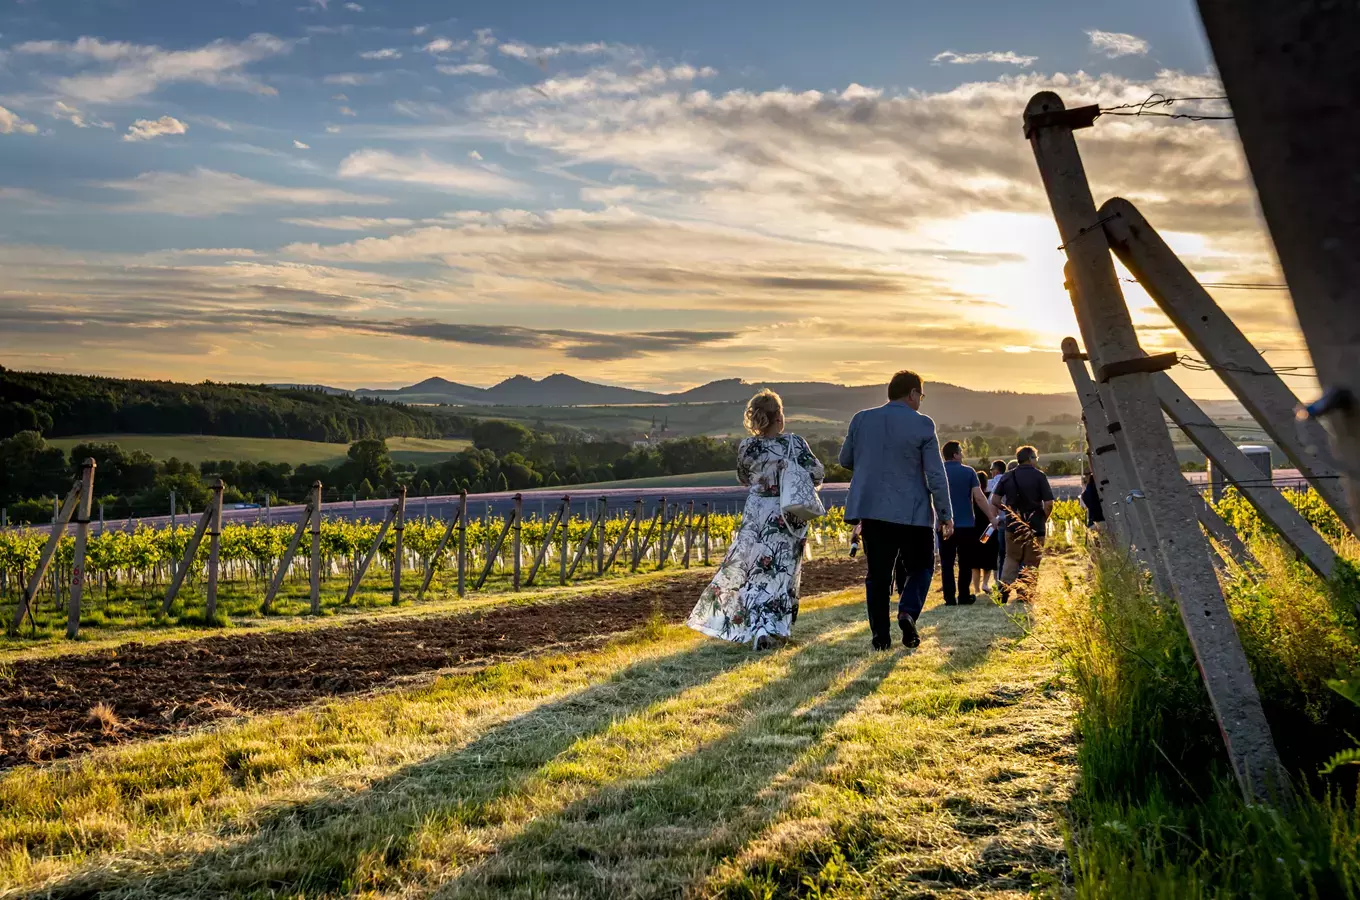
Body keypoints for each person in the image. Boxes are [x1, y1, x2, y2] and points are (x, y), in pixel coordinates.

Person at [687, 389, 824, 649]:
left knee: (753, 571)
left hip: (756, 513)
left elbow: (742, 476)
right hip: (786, 515)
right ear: (779, 416)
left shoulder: (747, 446)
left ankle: (758, 628)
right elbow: (818, 473)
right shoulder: (794, 443)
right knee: (781, 572)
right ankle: (772, 627)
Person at [838, 370, 952, 650]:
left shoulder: (861, 419)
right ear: (913, 393)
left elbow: (845, 459)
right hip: (913, 513)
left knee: (877, 576)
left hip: (873, 511)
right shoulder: (923, 425)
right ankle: (907, 611)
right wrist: (946, 515)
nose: (921, 401)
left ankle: (880, 637)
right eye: (921, 396)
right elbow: (935, 474)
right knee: (922, 567)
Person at [989, 445, 1054, 602]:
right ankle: (1024, 594)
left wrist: (1010, 512)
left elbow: (995, 500)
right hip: (1035, 526)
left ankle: (1003, 590)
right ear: (1030, 458)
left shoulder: (1007, 476)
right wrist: (1042, 517)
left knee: (1011, 558)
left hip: (1012, 526)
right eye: (1035, 458)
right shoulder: (1039, 476)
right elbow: (1049, 503)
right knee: (1031, 561)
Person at [938, 440, 998, 605]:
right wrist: (991, 518)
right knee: (965, 562)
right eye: (961, 452)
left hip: (944, 524)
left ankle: (949, 597)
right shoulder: (968, 472)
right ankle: (964, 595)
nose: (962, 454)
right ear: (955, 454)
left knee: (947, 562)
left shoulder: (938, 471)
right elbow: (979, 497)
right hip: (965, 525)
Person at [971, 469, 999, 597]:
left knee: (975, 561)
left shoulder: (971, 498)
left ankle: (976, 589)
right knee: (988, 558)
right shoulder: (988, 496)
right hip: (987, 531)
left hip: (973, 531)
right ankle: (985, 583)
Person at [987, 459, 1008, 584]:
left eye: (991, 469)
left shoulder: (993, 482)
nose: (991, 472)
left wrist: (992, 518)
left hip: (997, 521)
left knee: (1000, 554)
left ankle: (999, 581)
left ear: (996, 470)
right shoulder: (1011, 480)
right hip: (1013, 521)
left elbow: (991, 503)